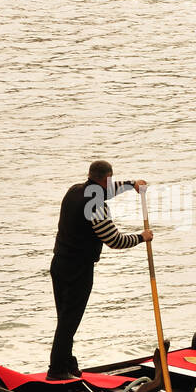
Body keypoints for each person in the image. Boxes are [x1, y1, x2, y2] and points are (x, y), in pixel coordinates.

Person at [48, 160, 150, 379]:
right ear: (106, 179)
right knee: (69, 320)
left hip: (59, 263)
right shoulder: (96, 205)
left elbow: (105, 191)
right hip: (78, 268)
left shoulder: (75, 190)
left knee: (65, 318)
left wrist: (132, 184)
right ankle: (56, 371)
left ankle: (67, 363)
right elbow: (114, 240)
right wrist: (142, 237)